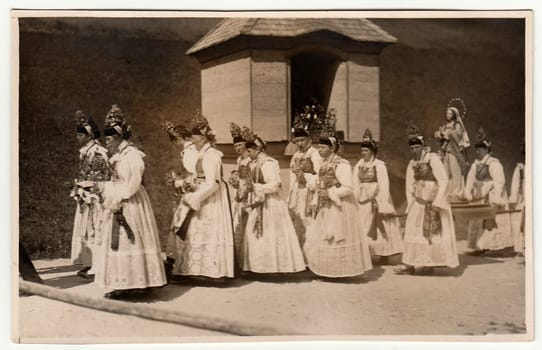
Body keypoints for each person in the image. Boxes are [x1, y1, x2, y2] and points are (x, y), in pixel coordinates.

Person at [95, 105, 167, 299]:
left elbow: (133, 184)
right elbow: (116, 181)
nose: (106, 143)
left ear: (118, 138)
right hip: (119, 198)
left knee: (130, 239)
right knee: (120, 242)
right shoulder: (119, 156)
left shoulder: (133, 156)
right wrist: (107, 192)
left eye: (109, 139)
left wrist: (116, 197)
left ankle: (138, 283)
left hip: (131, 202)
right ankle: (124, 282)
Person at [171, 112, 235, 279]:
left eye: (196, 139)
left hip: (210, 197)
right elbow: (198, 175)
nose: (193, 143)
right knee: (195, 229)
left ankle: (211, 270)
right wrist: (186, 183)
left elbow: (213, 183)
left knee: (209, 230)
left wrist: (196, 197)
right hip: (201, 193)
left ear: (204, 139)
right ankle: (196, 269)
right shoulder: (201, 154)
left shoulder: (211, 155)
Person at [304, 133, 373, 278]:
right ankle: (327, 270)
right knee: (323, 234)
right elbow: (318, 179)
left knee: (337, 234)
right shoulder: (323, 164)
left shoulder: (342, 164)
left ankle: (342, 271)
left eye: (323, 147)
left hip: (340, 205)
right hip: (325, 204)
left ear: (332, 148)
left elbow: (348, 187)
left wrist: (329, 193)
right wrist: (313, 185)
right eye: (319, 147)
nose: (320, 150)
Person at [395, 123, 459, 275]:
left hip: (432, 202)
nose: (414, 151)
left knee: (430, 234)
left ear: (423, 146)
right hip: (419, 203)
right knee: (412, 230)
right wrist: (410, 204)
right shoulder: (412, 163)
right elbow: (409, 185)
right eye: (411, 148)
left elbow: (443, 180)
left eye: (417, 147)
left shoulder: (433, 159)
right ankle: (410, 264)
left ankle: (428, 263)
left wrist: (438, 201)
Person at [241, 134, 306, 273]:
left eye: (250, 151)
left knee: (271, 232)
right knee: (254, 232)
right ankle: (257, 266)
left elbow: (274, 185)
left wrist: (257, 188)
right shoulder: (251, 164)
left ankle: (274, 267)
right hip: (257, 201)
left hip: (270, 203)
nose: (247, 154)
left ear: (258, 150)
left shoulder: (269, 163)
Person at [69, 110, 111, 279]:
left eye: (80, 135)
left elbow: (103, 178)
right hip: (86, 197)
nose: (77, 138)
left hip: (95, 199)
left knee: (95, 229)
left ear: (89, 135)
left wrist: (87, 190)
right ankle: (91, 262)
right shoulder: (86, 152)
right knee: (87, 231)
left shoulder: (98, 153)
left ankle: (98, 265)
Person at [352, 129, 403, 264]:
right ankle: (366, 252)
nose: (363, 153)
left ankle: (384, 253)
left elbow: (384, 184)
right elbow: (355, 181)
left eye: (366, 151)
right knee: (363, 223)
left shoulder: (379, 165)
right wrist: (355, 197)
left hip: (376, 195)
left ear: (373, 152)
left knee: (380, 223)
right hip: (363, 197)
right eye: (362, 151)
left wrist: (383, 202)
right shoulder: (359, 165)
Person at [464, 128, 513, 255]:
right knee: (478, 220)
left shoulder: (494, 163)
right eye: (477, 148)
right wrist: (468, 192)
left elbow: (499, 181)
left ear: (487, 150)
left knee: (491, 220)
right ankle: (479, 246)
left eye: (481, 148)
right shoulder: (476, 164)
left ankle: (494, 247)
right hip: (479, 195)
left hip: (491, 195)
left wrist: (497, 198)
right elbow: (470, 179)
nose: (478, 150)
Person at [161, 120, 198, 276]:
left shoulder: (189, 152)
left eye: (174, 141)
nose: (175, 145)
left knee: (181, 227)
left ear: (178, 139)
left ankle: (179, 265)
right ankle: (176, 262)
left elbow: (195, 177)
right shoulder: (192, 150)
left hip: (192, 195)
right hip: (190, 193)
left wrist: (178, 182)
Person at [287, 125, 321, 254]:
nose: (300, 144)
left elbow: (319, 175)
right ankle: (300, 253)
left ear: (309, 139)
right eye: (297, 141)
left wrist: (305, 177)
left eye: (302, 140)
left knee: (309, 221)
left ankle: (311, 253)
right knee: (297, 220)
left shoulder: (315, 154)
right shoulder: (295, 155)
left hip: (309, 192)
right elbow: (292, 177)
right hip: (297, 191)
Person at [227, 123, 253, 270]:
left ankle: (247, 261)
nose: (238, 148)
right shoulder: (239, 160)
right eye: (236, 146)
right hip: (240, 192)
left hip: (249, 192)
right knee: (238, 223)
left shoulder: (250, 159)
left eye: (240, 145)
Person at [433, 98, 470, 202]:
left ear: (454, 115)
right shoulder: (445, 126)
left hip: (454, 151)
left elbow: (458, 135)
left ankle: (457, 193)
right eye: (447, 113)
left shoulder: (457, 125)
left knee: (455, 171)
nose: (447, 115)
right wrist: (440, 134)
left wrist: (446, 134)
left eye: (449, 113)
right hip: (446, 151)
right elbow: (439, 135)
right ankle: (447, 192)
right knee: (445, 172)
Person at [509, 144, 526, 256]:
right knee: (519, 222)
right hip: (524, 198)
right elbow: (515, 184)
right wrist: (514, 199)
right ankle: (522, 247)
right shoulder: (520, 168)